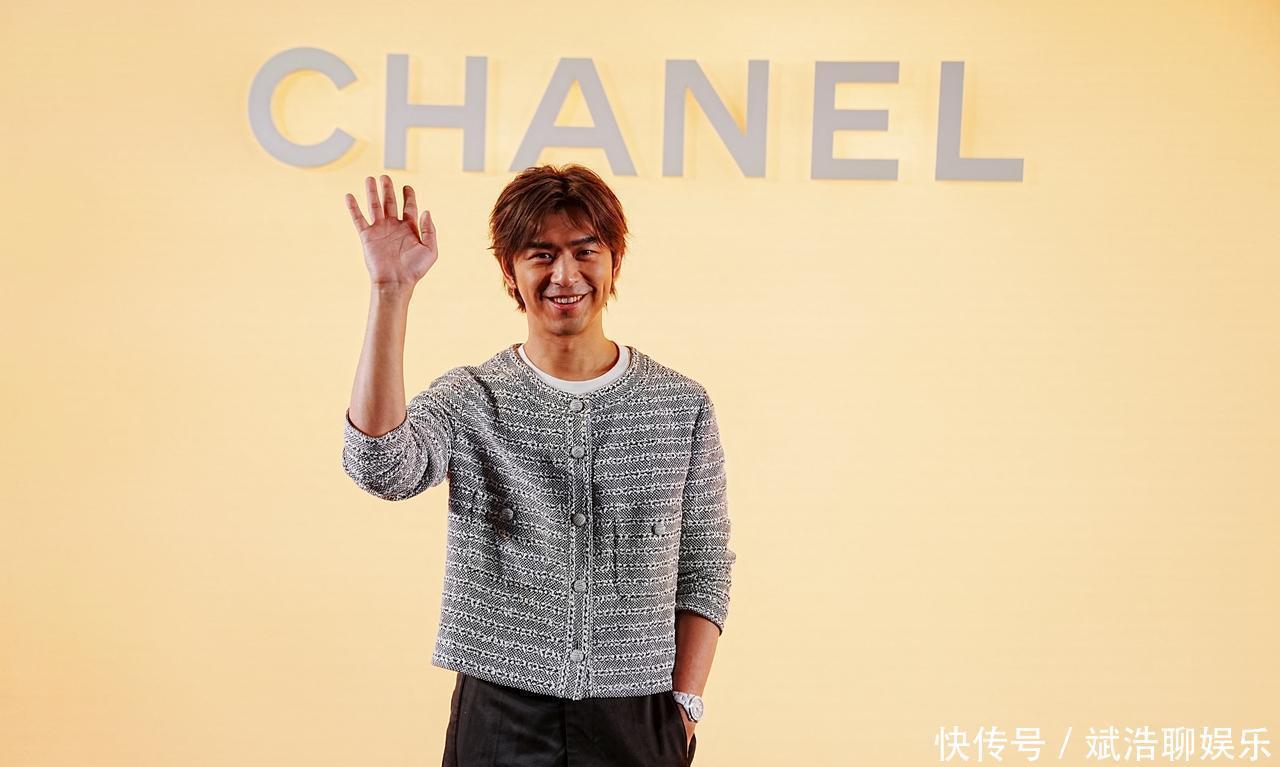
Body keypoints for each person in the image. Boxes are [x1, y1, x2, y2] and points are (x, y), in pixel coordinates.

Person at [340, 165, 736, 766]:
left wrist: (683, 708)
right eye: (541, 255)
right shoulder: (472, 396)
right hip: (500, 709)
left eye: (585, 252)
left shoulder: (679, 404)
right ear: (510, 271)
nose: (565, 275)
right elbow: (381, 467)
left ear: (615, 262)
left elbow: (704, 565)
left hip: (638, 713)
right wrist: (390, 293)